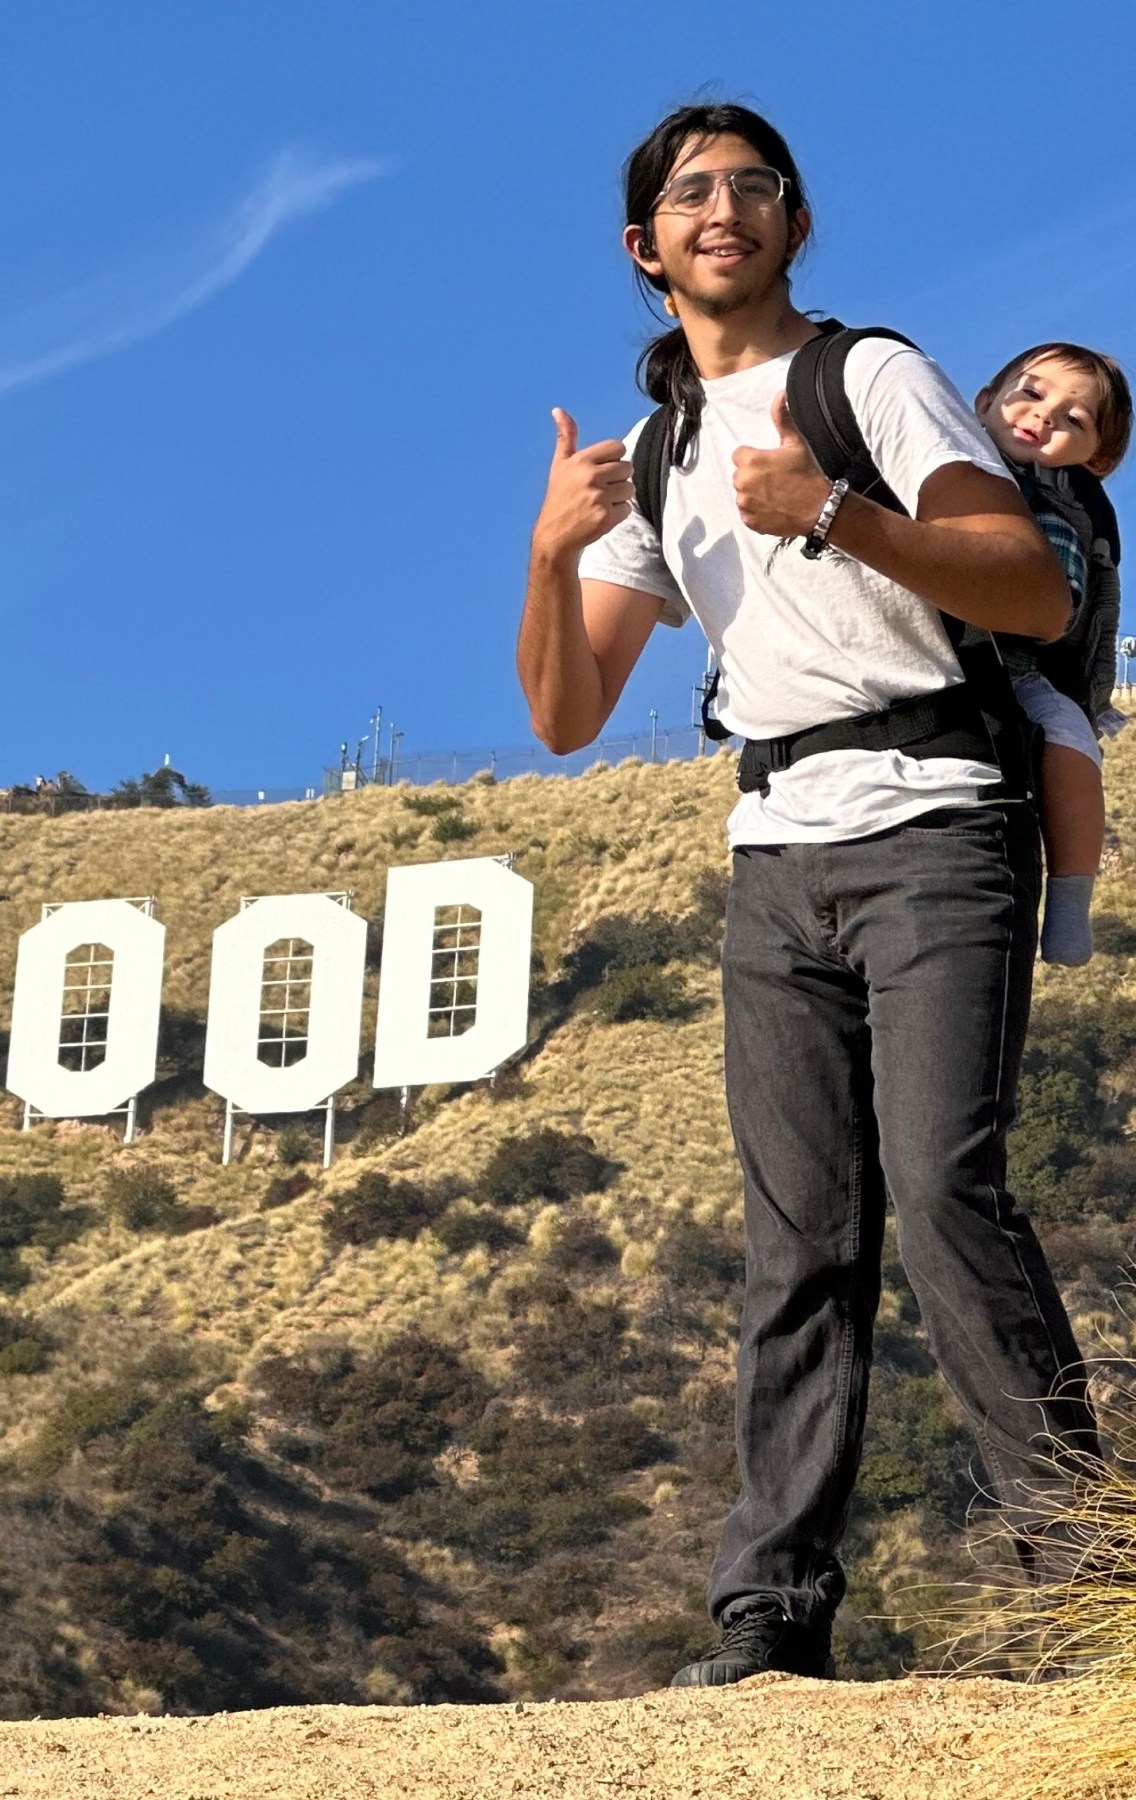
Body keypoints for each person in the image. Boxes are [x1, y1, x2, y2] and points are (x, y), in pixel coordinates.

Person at [516, 104, 1100, 1687]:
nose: (726, 206)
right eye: (692, 192)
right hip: (774, 849)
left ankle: (1093, 1574)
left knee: (947, 1197)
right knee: (800, 1242)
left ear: (793, 224)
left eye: (754, 186)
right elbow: (567, 716)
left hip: (936, 821)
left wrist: (837, 514)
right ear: (647, 248)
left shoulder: (874, 377)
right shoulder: (655, 452)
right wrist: (550, 549)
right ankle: (770, 1614)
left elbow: (1031, 586)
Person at [970, 343, 1129, 966]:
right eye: (1032, 393)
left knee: (1069, 739)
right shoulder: (931, 465)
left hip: (1018, 665)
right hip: (923, 654)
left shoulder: (1067, 508)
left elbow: (1057, 610)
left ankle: (1069, 897)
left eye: (1074, 422)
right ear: (986, 400)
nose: (1043, 418)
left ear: (1097, 460)